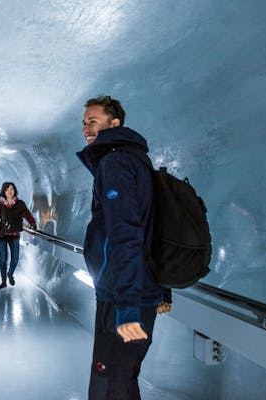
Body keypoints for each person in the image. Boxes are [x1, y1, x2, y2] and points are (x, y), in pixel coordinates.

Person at [76, 95, 172, 399]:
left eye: (93, 121)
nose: (87, 129)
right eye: (84, 123)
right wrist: (161, 289)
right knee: (123, 382)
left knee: (110, 386)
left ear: (114, 123)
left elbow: (126, 234)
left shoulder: (115, 162)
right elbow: (155, 229)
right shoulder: (137, 160)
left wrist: (128, 308)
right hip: (136, 291)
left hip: (121, 296)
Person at [0, 182, 36, 289]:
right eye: (7, 190)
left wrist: (32, 223)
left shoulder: (20, 204)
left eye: (12, 189)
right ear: (4, 191)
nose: (10, 192)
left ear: (15, 191)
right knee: (3, 259)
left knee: (15, 259)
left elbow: (27, 214)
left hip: (14, 234)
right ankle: (3, 281)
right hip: (2, 234)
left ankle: (10, 274)